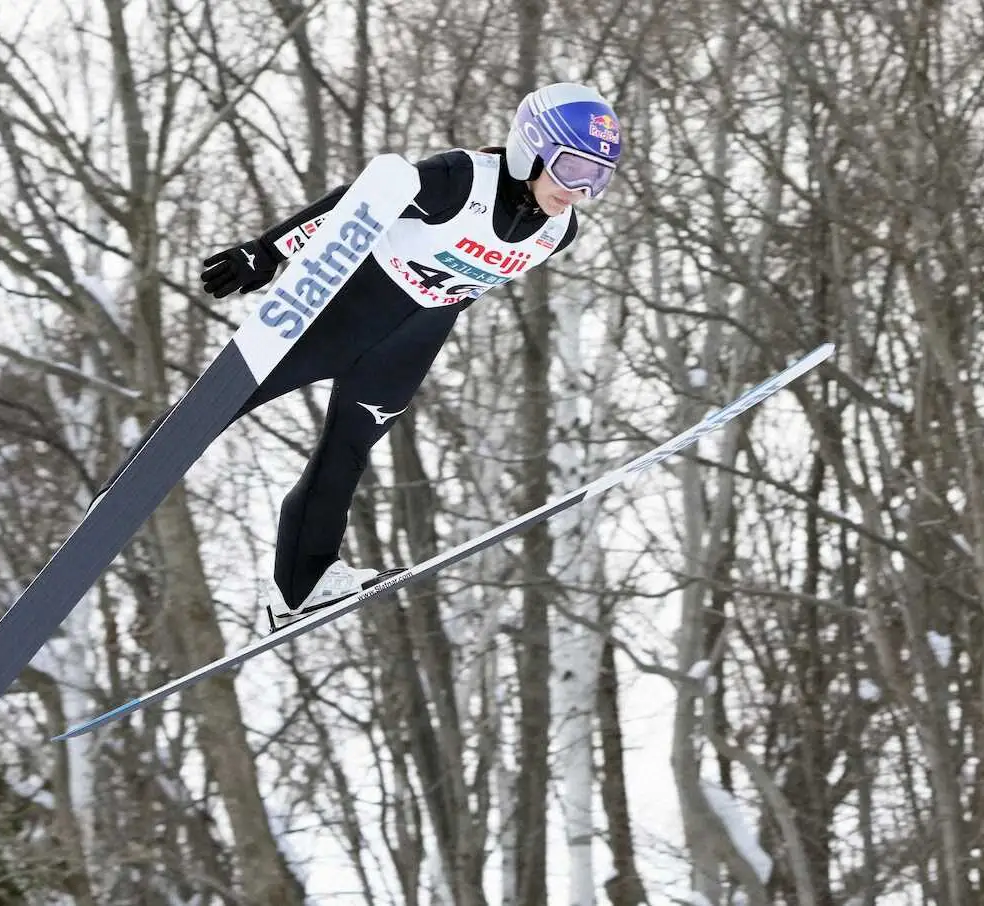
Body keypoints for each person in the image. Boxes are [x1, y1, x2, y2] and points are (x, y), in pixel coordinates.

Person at [114, 82, 621, 630]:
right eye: (573, 170)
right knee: (225, 399)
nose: (579, 191)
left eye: (598, 179)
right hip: (344, 313)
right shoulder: (459, 179)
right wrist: (269, 250)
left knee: (347, 452)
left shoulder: (559, 232)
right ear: (532, 147)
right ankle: (119, 496)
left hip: (410, 342)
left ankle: (301, 587)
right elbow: (360, 200)